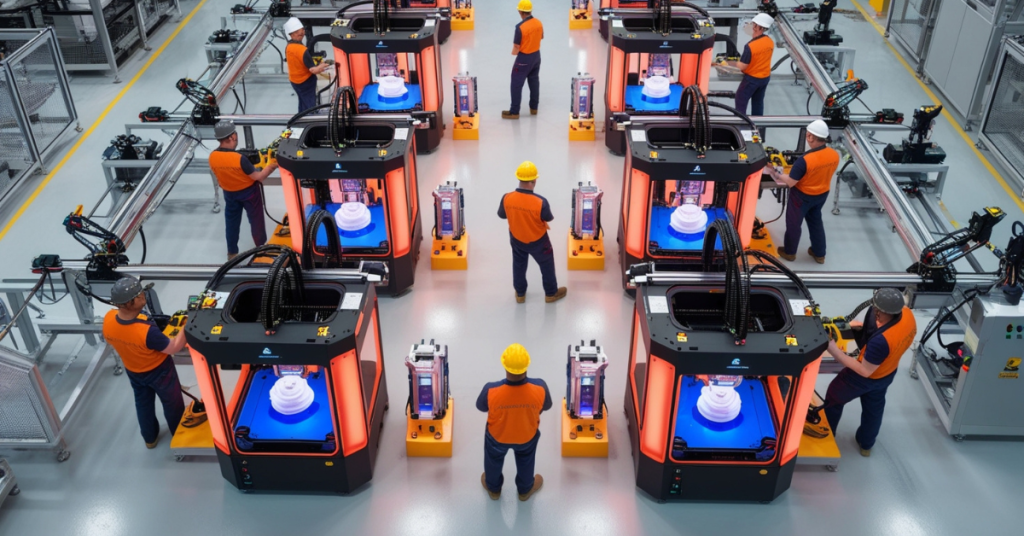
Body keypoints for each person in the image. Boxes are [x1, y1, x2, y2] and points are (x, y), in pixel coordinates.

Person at [805, 288, 918, 456]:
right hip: (887, 373)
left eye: (875, 307)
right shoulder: (907, 314)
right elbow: (891, 338)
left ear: (879, 310)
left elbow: (864, 371)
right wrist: (861, 328)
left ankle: (826, 435)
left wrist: (833, 348)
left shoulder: (881, 342)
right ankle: (866, 444)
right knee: (874, 408)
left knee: (834, 396)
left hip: (865, 377)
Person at [102, 277, 188, 449]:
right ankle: (179, 438)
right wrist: (187, 325)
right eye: (139, 295)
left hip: (133, 371)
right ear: (129, 302)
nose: (143, 296)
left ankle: (150, 439)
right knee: (172, 404)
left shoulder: (109, 318)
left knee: (143, 404)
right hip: (160, 371)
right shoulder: (146, 332)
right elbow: (173, 348)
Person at [476, 343, 552, 501]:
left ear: (504, 365)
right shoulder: (540, 387)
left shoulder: (491, 390)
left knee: (493, 460)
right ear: (527, 365)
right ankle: (525, 490)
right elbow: (547, 406)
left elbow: (481, 406)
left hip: (497, 437)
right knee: (526, 460)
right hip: (527, 436)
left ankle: (493, 488)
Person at [764, 119, 840, 264]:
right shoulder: (834, 154)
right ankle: (819, 254)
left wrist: (774, 171)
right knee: (815, 221)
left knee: (794, 223)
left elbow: (791, 182)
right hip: (822, 194)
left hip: (802, 196)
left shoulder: (805, 160)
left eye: (808, 134)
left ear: (811, 137)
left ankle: (790, 252)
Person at [498, 161, 567, 304]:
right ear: (534, 180)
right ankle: (550, 293)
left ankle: (520, 294)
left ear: (519, 178)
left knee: (518, 264)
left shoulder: (507, 197)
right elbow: (548, 218)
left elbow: (502, 215)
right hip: (538, 241)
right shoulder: (540, 202)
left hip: (517, 238)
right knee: (546, 264)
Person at [208, 120, 278, 261]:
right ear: (231, 137)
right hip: (249, 193)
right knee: (256, 221)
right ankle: (261, 249)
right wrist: (272, 165)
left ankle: (232, 253)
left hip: (229, 194)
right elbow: (258, 177)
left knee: (231, 223)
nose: (236, 136)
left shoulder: (212, 157)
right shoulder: (239, 159)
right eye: (235, 133)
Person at [723, 13, 774, 116]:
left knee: (740, 99)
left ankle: (740, 123)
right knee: (758, 101)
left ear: (757, 27)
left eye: (753, 24)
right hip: (765, 77)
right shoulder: (769, 41)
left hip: (752, 79)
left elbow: (742, 66)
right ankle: (758, 123)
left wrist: (727, 63)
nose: (750, 25)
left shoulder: (750, 46)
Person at [502, 1, 544, 120]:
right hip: (536, 56)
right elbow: (541, 37)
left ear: (520, 11)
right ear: (530, 10)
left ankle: (514, 111)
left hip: (524, 58)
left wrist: (514, 54)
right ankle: (534, 108)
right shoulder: (538, 23)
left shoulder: (520, 27)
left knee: (516, 83)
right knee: (534, 81)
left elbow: (516, 47)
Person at [284, 17, 331, 114]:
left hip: (294, 81)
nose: (301, 33)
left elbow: (298, 62)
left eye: (301, 30)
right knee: (310, 105)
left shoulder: (288, 47)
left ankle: (301, 117)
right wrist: (322, 66)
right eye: (297, 31)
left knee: (303, 102)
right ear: (291, 34)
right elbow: (313, 70)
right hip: (306, 81)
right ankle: (311, 119)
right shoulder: (302, 50)